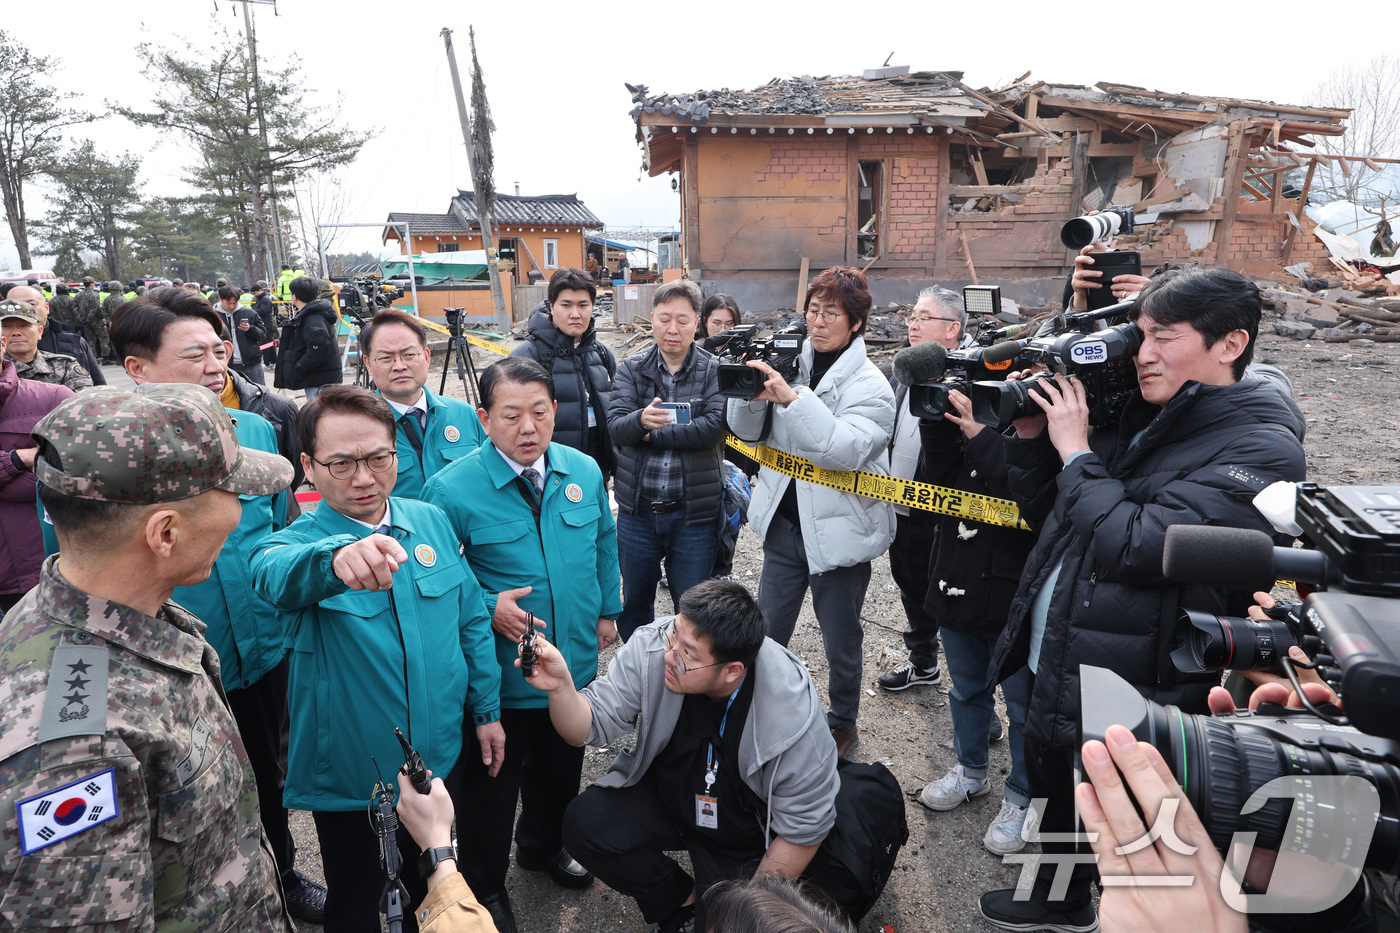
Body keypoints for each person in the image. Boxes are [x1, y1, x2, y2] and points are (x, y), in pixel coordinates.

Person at [978, 267, 1308, 933]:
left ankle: (1138, 915)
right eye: (1140, 335)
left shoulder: (1262, 446)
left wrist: (1076, 451)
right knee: (1056, 787)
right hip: (1065, 644)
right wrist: (1036, 439)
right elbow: (1054, 514)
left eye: (1164, 337)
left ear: (1231, 343)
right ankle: (1055, 899)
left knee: (1130, 814)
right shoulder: (1143, 408)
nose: (1143, 354)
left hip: (1141, 673)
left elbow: (1138, 545)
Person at [0, 383, 295, 930]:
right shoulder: (76, 753)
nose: (241, 511)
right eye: (233, 494)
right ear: (165, 533)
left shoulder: (106, 609)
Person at [250, 385, 503, 933]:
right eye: (341, 463)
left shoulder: (430, 520)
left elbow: (470, 619)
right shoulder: (293, 544)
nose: (363, 478)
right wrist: (335, 559)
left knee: (438, 886)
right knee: (364, 905)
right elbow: (271, 574)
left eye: (378, 458)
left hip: (439, 756)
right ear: (308, 467)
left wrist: (487, 710)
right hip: (356, 781)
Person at [106, 287, 323, 920]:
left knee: (268, 776)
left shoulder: (253, 433)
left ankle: (281, 874)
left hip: (260, 654)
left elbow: (281, 532)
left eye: (219, 350)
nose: (214, 366)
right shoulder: (105, 460)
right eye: (193, 354)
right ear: (138, 368)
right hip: (167, 671)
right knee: (179, 801)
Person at [422, 357, 621, 933]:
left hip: (570, 666)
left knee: (561, 768)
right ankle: (485, 883)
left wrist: (608, 607)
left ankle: (543, 845)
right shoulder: (450, 490)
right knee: (492, 787)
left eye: (539, 412)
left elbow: (604, 540)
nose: (528, 428)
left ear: (556, 411)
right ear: (484, 419)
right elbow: (435, 577)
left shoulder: (582, 468)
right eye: (511, 416)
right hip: (500, 676)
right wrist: (489, 604)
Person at [523, 579, 840, 933]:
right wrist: (561, 688)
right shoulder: (655, 646)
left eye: (688, 654)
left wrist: (746, 913)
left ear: (732, 670)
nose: (669, 655)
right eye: (673, 634)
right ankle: (679, 902)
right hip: (671, 799)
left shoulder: (793, 719)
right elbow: (587, 724)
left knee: (728, 923)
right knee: (586, 825)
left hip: (742, 835)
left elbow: (803, 830)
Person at [738, 266, 895, 759]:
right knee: (768, 631)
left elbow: (842, 451)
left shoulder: (872, 386)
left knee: (840, 641)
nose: (819, 322)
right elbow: (748, 434)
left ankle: (842, 721)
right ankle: (761, 711)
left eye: (832, 313)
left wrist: (792, 398)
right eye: (813, 311)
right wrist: (748, 394)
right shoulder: (789, 362)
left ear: (856, 323)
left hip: (841, 533)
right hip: (785, 527)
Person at [906, 378, 1035, 854]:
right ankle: (971, 770)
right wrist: (937, 422)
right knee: (966, 687)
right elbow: (935, 482)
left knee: (1023, 707)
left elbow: (1024, 491)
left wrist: (983, 433)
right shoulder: (970, 420)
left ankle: (1022, 794)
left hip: (1014, 591)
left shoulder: (1042, 427)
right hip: (956, 578)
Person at [609, 280, 725, 640]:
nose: (672, 329)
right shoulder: (632, 368)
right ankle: (637, 667)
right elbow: (617, 427)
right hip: (637, 514)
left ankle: (686, 670)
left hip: (693, 515)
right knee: (634, 604)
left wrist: (648, 429)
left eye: (682, 320)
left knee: (692, 610)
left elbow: (713, 429)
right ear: (652, 320)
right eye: (664, 319)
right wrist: (639, 421)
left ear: (697, 322)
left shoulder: (714, 369)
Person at [877, 286, 964, 692]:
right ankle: (923, 662)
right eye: (912, 316)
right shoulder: (903, 372)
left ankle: (971, 690)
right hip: (900, 507)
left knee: (953, 596)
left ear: (952, 329)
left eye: (924, 317)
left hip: (949, 513)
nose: (912, 323)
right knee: (910, 585)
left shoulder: (969, 378)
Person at [361, 309, 485, 499]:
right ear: (368, 364)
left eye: (409, 354)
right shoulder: (359, 428)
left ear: (426, 357)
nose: (399, 366)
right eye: (385, 358)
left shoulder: (463, 415)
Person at [510, 267, 617, 478]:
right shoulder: (528, 356)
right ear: (551, 306)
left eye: (583, 305)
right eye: (566, 305)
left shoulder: (602, 354)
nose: (575, 314)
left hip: (597, 470)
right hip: (549, 473)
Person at [0, 329, 73, 612]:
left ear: (2, 345)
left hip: (45, 569)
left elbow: (82, 474)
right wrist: (18, 459)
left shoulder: (53, 398)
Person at [10, 284, 106, 385]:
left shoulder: (75, 343)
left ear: (46, 307)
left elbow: (99, 387)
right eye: (16, 306)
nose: (24, 311)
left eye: (31, 304)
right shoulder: (4, 350)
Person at [0, 297, 93, 391]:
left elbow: (84, 398)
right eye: (5, 326)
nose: (16, 333)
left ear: (40, 331)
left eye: (23, 326)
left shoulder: (64, 366)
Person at [274, 275, 343, 398]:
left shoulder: (312, 319)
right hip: (319, 379)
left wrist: (299, 366)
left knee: (319, 410)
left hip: (319, 382)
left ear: (295, 296)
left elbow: (319, 348)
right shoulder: (312, 315)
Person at [215, 284, 268, 384]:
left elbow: (262, 335)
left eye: (235, 303)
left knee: (258, 391)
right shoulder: (214, 316)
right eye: (228, 303)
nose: (232, 306)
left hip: (251, 363)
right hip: (227, 365)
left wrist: (250, 329)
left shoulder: (249, 313)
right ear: (220, 299)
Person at [71, 276, 106, 360]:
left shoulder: (78, 295)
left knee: (90, 339)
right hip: (96, 321)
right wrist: (89, 319)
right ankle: (106, 357)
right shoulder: (95, 294)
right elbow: (95, 308)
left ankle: (91, 357)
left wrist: (80, 318)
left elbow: (74, 306)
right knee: (103, 337)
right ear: (91, 284)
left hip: (84, 321)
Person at [251, 280, 278, 367]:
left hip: (266, 324)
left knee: (265, 344)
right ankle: (273, 361)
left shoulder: (265, 300)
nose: (255, 295)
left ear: (260, 290)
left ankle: (267, 362)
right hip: (266, 323)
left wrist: (253, 310)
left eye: (255, 293)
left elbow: (264, 311)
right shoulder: (263, 299)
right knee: (269, 343)